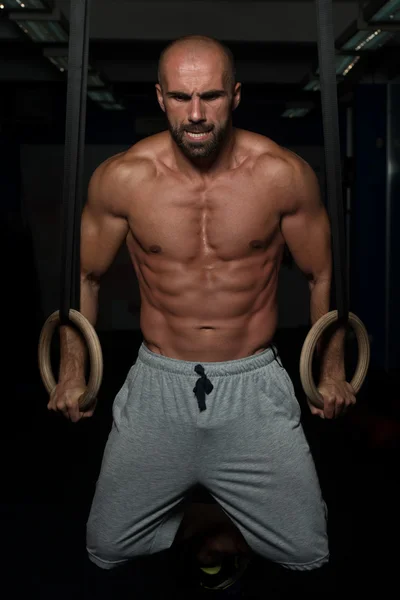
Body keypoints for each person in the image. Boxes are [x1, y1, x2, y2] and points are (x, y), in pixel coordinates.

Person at [48, 35, 356, 596]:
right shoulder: (123, 178)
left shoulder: (282, 175)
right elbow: (84, 279)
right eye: (183, 97)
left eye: (211, 96)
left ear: (235, 96)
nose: (196, 114)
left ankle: (227, 513)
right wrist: (74, 369)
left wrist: (329, 368)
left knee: (308, 550)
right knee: (106, 545)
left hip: (254, 381)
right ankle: (205, 519)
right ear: (161, 96)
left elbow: (321, 276)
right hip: (158, 381)